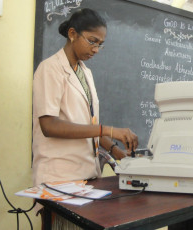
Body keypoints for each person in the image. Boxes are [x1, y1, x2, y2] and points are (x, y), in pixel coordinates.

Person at [32, 8, 138, 228]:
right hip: (59, 178)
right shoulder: (50, 69)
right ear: (72, 34)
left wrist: (116, 151)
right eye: (92, 41)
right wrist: (107, 130)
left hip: (86, 178)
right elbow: (48, 125)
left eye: (100, 44)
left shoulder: (85, 73)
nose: (96, 49)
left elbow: (88, 125)